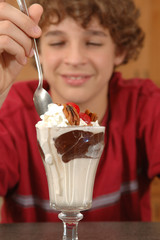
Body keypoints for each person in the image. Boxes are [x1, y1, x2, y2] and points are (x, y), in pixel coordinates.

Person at [0, 0, 160, 223]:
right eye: (57, 42)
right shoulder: (11, 109)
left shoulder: (143, 105)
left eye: (93, 42)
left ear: (120, 50)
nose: (74, 59)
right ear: (37, 51)